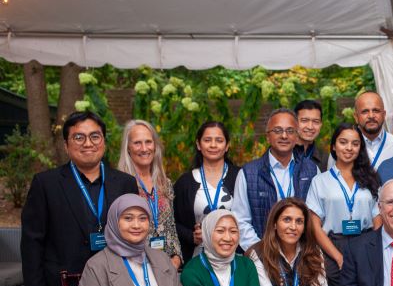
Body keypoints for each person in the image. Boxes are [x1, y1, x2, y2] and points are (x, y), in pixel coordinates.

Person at [21, 111, 138, 286]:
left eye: (95, 136)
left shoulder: (124, 183)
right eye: (79, 137)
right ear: (66, 145)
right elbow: (32, 244)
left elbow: (135, 236)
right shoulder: (46, 184)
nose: (88, 143)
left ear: (104, 141)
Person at [306, 124, 382, 286]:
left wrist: (374, 249)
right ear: (333, 146)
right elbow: (314, 225)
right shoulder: (320, 181)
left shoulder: (371, 178)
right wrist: (338, 257)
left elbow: (377, 218)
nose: (349, 148)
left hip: (365, 242)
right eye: (343, 142)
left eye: (355, 144)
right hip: (334, 245)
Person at [232, 108, 318, 249]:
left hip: (302, 253)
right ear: (267, 136)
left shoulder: (312, 170)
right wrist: (261, 252)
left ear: (297, 137)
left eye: (290, 131)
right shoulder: (248, 173)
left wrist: (306, 250)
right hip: (262, 253)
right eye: (277, 130)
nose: (284, 136)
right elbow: (241, 221)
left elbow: (317, 218)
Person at [119, 119, 183, 268]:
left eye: (148, 142)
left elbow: (171, 227)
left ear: (155, 146)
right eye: (137, 143)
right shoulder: (120, 184)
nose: (144, 148)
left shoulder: (165, 183)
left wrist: (176, 258)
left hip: (168, 266)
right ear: (128, 148)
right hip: (136, 266)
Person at [173, 121, 240, 259]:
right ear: (199, 144)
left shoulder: (241, 177)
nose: (213, 145)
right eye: (207, 140)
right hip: (198, 256)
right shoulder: (185, 182)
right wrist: (191, 236)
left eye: (219, 140)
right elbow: (173, 222)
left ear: (227, 145)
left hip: (235, 255)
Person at [352, 91, 393, 170]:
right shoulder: (344, 147)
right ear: (356, 117)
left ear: (384, 115)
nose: (371, 116)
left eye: (376, 111)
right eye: (365, 111)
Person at [294, 99, 327, 172]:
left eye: (316, 121)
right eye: (304, 120)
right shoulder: (283, 154)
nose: (310, 127)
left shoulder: (325, 159)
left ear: (321, 124)